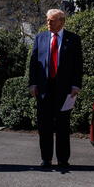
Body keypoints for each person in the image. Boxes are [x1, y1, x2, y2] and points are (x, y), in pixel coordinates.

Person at [29, 9, 83, 169]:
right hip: (44, 89)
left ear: (61, 21)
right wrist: (32, 83)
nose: (48, 23)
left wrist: (76, 85)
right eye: (47, 20)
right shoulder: (40, 38)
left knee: (63, 126)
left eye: (52, 21)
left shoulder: (73, 39)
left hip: (65, 90)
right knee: (44, 126)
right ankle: (46, 159)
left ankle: (63, 159)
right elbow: (33, 63)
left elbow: (78, 65)